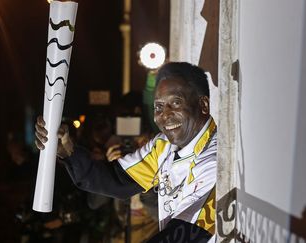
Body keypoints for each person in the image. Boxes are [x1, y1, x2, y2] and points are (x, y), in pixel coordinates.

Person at [35, 62, 217, 242]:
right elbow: (115, 179)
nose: (165, 115)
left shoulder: (215, 160)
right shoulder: (163, 146)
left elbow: (185, 235)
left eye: (176, 103)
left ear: (203, 105)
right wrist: (68, 150)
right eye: (158, 107)